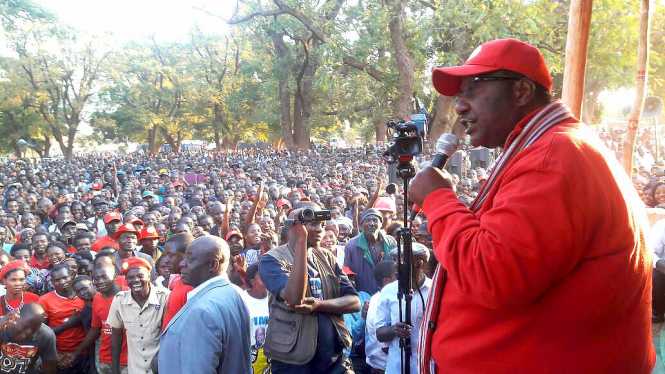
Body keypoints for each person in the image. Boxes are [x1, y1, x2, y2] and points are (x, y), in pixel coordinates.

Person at [408, 38, 654, 372]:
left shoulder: (553, 156)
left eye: (472, 89)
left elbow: (491, 274)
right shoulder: (556, 148)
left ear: (522, 91)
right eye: (458, 95)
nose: (460, 107)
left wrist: (438, 199)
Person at [259, 206, 360, 373]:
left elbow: (354, 302)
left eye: (321, 224)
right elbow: (293, 298)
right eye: (313, 224)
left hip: (332, 358)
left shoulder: (326, 256)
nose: (320, 229)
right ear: (294, 228)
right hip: (292, 360)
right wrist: (301, 243)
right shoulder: (272, 259)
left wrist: (319, 305)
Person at [158, 235, 251, 374]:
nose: (182, 264)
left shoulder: (202, 311)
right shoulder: (235, 293)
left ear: (213, 265)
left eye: (190, 259)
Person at [375, 244, 431, 374]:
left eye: (401, 260)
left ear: (419, 263)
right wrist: (394, 330)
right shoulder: (388, 291)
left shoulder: (433, 290)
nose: (395, 265)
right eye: (394, 260)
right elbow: (380, 333)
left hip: (426, 367)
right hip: (397, 367)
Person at [107, 257, 168, 374]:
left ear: (149, 276)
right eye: (130, 277)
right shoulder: (120, 300)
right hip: (135, 369)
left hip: (161, 368)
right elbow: (116, 336)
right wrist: (115, 369)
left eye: (140, 276)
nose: (135, 280)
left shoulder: (165, 297)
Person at [74, 263, 128, 374]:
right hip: (105, 358)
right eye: (96, 278)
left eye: (104, 277)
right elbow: (95, 328)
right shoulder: (97, 298)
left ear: (114, 276)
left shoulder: (128, 295)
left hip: (128, 359)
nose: (100, 281)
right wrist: (76, 352)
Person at [38, 263, 88, 373]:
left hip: (85, 352)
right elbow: (42, 333)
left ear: (72, 275)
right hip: (59, 354)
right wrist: (69, 324)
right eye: (57, 280)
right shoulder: (44, 300)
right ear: (52, 282)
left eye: (65, 277)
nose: (62, 282)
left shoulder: (85, 295)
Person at [344, 209, 397, 294]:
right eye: (368, 220)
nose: (372, 224)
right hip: (363, 294)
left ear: (381, 224)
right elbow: (347, 271)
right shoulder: (351, 245)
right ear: (361, 225)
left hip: (389, 293)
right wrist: (356, 295)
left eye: (375, 220)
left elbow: (397, 267)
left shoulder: (391, 242)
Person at [0, 303, 57, 374]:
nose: (23, 336)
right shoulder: (2, 324)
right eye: (20, 330)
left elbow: (49, 367)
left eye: (31, 333)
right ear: (15, 317)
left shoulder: (46, 335)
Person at [365, 261, 396, 373]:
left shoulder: (376, 298)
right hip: (383, 367)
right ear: (387, 281)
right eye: (396, 276)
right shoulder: (380, 300)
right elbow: (385, 346)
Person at [240, 263, 269, 374]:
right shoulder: (242, 300)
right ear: (252, 281)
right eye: (263, 276)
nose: (268, 279)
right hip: (249, 356)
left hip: (270, 357)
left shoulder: (274, 298)